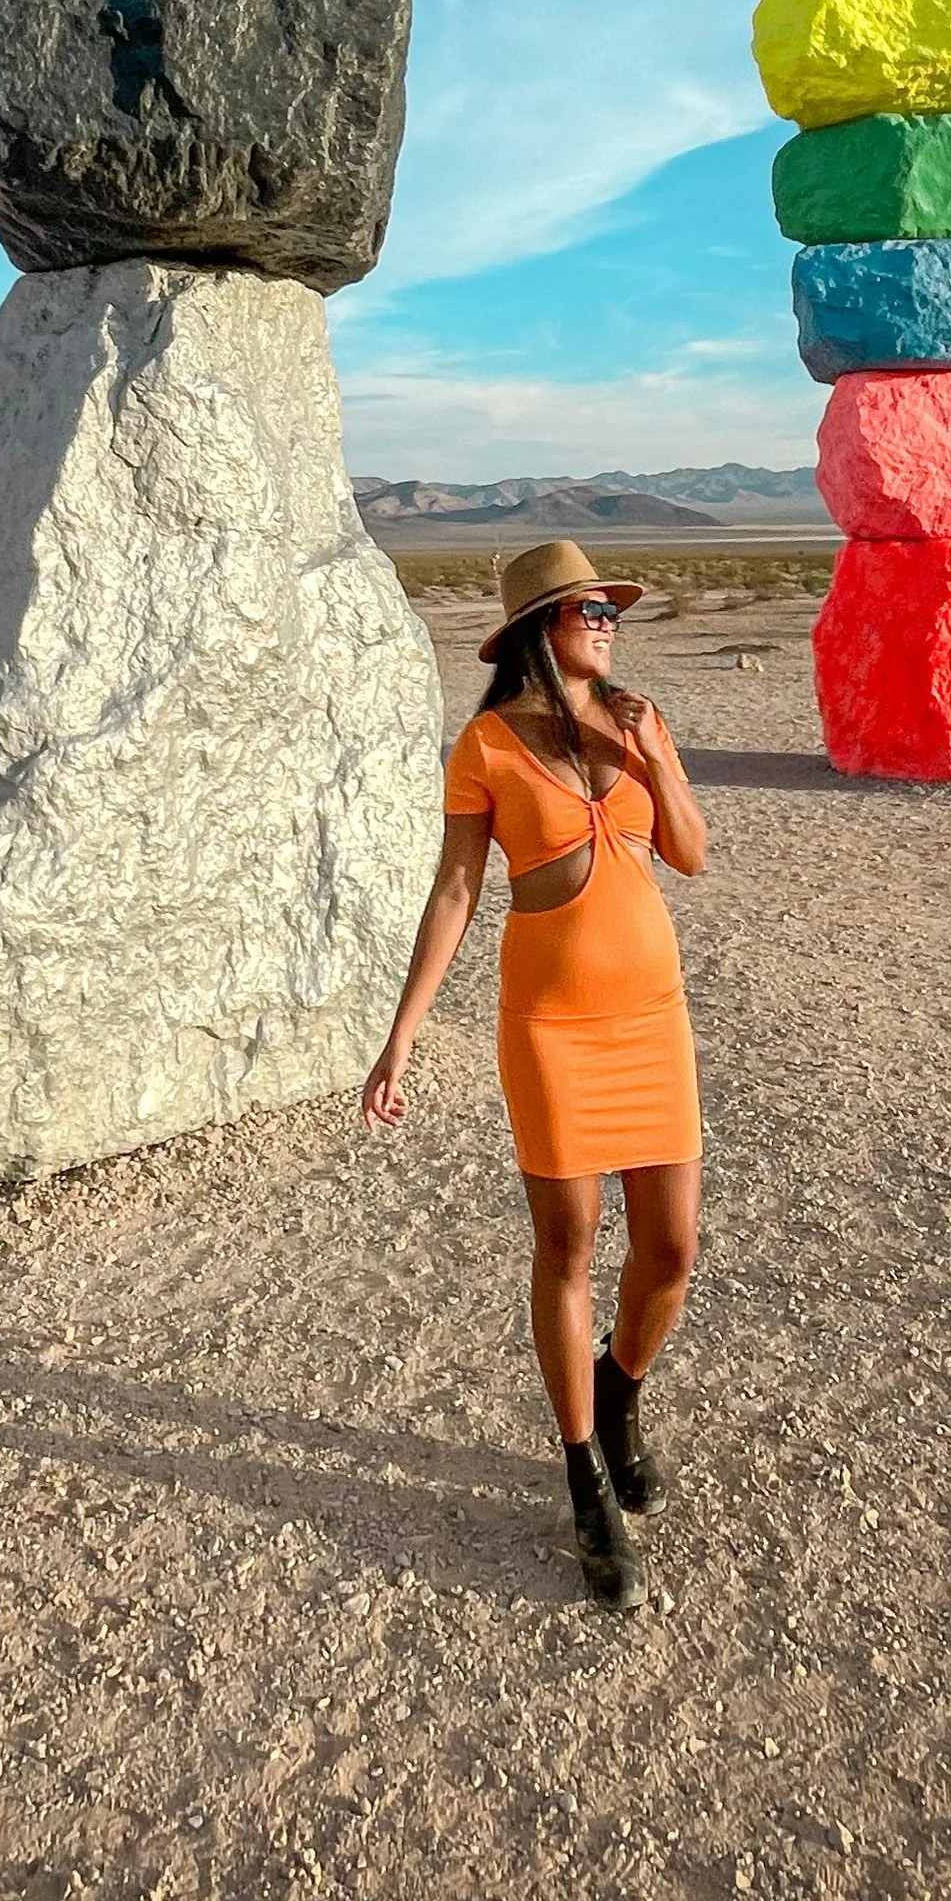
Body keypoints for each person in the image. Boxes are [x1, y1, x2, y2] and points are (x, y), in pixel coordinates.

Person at [362, 538, 708, 1609]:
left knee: (671, 1248)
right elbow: (456, 893)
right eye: (587, 609)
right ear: (536, 630)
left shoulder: (638, 718)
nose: (606, 620)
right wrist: (402, 1033)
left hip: (653, 1019)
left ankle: (619, 1394)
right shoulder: (484, 744)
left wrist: (651, 752)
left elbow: (690, 852)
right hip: (552, 1026)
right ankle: (582, 1478)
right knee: (569, 1243)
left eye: (611, 608)